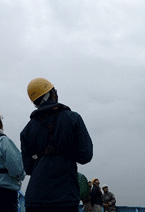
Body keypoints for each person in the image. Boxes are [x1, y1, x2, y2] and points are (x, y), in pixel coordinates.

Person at [20, 77, 93, 212]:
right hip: (65, 198)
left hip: (34, 199)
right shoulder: (73, 118)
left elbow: (29, 168)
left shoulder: (26, 130)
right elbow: (85, 155)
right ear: (51, 94)